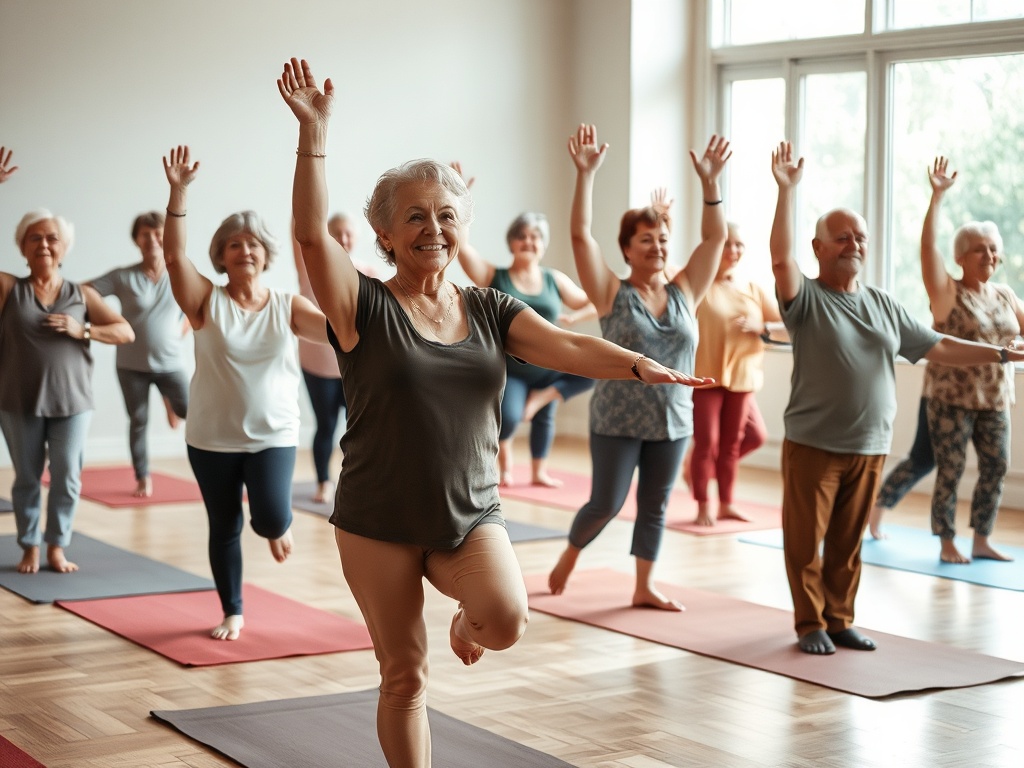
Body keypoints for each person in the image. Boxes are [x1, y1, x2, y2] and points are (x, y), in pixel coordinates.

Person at [279, 58, 711, 768]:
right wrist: (314, 137)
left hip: (468, 513)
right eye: (413, 215)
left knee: (506, 620)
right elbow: (306, 238)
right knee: (404, 673)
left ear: (461, 227)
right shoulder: (362, 307)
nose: (432, 228)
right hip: (378, 519)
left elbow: (568, 344)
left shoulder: (488, 306)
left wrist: (638, 364)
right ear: (385, 233)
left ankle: (464, 620)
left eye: (445, 215)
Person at [768, 141, 1024, 655]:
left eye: (859, 237)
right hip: (814, 442)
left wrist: (1000, 355)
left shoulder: (884, 304)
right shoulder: (806, 300)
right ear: (818, 249)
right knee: (805, 542)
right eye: (841, 238)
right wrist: (787, 190)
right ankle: (809, 623)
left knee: (848, 542)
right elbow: (779, 260)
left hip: (869, 443)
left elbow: (940, 346)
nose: (853, 244)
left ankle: (839, 619)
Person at [547, 124, 731, 611]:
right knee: (606, 503)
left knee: (656, 506)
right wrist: (585, 175)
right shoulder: (612, 293)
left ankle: (644, 585)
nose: (657, 246)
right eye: (645, 239)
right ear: (627, 248)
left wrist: (711, 184)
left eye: (663, 238)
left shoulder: (686, 291)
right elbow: (579, 236)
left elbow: (715, 237)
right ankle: (571, 552)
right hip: (617, 420)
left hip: (672, 419)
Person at [161, 144, 328, 641]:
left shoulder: (287, 304)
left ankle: (276, 525)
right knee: (224, 525)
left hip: (273, 433)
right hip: (211, 436)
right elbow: (173, 256)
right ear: (221, 255)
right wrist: (178, 193)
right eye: (235, 244)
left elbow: (340, 333)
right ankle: (232, 609)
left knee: (271, 516)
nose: (245, 250)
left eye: (253, 243)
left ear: (266, 253)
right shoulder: (204, 301)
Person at [1, 195, 135, 573]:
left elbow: (126, 332)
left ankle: (56, 546)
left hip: (72, 403)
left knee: (67, 476)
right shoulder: (9, 288)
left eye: (52, 238)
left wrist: (84, 329)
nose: (44, 244)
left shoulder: (82, 294)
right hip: (17, 400)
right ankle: (29, 545)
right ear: (22, 248)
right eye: (35, 238)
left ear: (63, 248)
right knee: (27, 478)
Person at [915, 157, 1022, 563]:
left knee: (996, 468)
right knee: (951, 471)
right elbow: (927, 250)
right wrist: (936, 198)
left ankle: (982, 538)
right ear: (961, 256)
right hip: (951, 399)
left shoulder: (1006, 295)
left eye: (994, 249)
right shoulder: (947, 293)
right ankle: (946, 541)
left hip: (995, 400)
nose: (990, 255)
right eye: (980, 249)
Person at [454, 195, 595, 487]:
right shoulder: (495, 276)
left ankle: (538, 470)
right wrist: (460, 206)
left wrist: (574, 319)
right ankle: (506, 467)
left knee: (587, 376)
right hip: (513, 368)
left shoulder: (554, 279)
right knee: (510, 416)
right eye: (522, 236)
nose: (529, 242)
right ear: (511, 243)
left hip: (550, 364)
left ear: (543, 244)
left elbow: (595, 298)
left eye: (535, 237)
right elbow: (463, 249)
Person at [87, 212, 190, 497]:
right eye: (145, 234)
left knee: (190, 412)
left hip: (171, 363)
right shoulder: (123, 276)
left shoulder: (179, 272)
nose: (152, 239)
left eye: (158, 233)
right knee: (139, 420)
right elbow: (84, 291)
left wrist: (181, 329)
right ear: (137, 240)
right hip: (131, 366)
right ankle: (143, 476)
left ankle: (170, 401)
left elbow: (200, 304)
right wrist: (107, 320)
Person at [689, 222, 780, 525]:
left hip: (742, 377)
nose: (735, 251)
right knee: (707, 443)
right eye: (728, 244)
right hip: (706, 377)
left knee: (730, 445)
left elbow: (789, 324)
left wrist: (762, 329)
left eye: (739, 245)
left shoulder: (752, 288)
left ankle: (726, 503)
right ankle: (703, 505)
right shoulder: (699, 285)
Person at [292, 212, 383, 503]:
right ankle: (323, 481)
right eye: (336, 233)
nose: (343, 239)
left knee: (358, 428)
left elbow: (382, 315)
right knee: (326, 425)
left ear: (356, 238)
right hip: (317, 364)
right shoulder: (310, 267)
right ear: (327, 235)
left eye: (348, 233)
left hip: (354, 366)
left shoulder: (368, 272)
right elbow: (299, 232)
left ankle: (356, 481)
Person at [867, 396, 933, 539]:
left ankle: (981, 539)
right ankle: (878, 506)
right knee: (923, 459)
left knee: (993, 467)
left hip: (991, 400)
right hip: (948, 395)